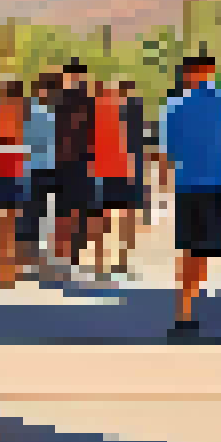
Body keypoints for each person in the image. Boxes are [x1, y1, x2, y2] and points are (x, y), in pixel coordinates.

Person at [163, 55, 221, 338]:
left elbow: (170, 151)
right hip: (213, 184)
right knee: (203, 251)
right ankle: (192, 305)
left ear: (188, 74)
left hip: (187, 184)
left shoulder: (175, 107)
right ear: (209, 72)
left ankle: (183, 312)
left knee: (187, 249)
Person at [87, 74, 142, 279]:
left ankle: (106, 263)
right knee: (118, 219)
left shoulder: (99, 108)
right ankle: (119, 261)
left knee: (108, 219)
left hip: (108, 170)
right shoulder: (125, 110)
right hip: (117, 170)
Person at [0, 79, 31, 289]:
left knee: (0, 220)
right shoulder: (15, 113)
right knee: (8, 221)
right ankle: (6, 269)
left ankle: (2, 267)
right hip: (8, 169)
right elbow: (17, 142)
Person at [51, 60, 100, 276]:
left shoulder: (59, 101)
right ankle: (73, 252)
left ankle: (66, 253)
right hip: (79, 161)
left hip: (64, 161)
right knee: (77, 207)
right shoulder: (88, 102)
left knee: (66, 207)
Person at [20, 70, 60, 278]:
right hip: (35, 168)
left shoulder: (49, 110)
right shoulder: (33, 110)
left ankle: (40, 256)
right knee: (35, 213)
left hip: (49, 168)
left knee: (45, 213)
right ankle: (31, 257)